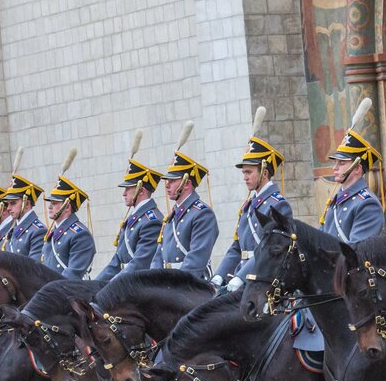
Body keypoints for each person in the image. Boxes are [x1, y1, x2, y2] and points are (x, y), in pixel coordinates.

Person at [212, 121, 291, 294]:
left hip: (264, 280)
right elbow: (237, 247)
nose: (245, 177)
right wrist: (220, 274)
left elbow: (269, 248)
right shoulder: (249, 205)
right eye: (244, 173)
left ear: (264, 171)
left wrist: (241, 276)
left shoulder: (278, 204)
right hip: (244, 278)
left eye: (249, 172)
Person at [150, 149, 218, 280]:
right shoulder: (171, 216)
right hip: (168, 284)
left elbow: (196, 259)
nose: (167, 185)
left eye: (172, 181)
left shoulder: (203, 213)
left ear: (186, 184)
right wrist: (152, 281)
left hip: (191, 285)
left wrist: (173, 286)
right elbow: (159, 256)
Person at [96, 159, 163, 283]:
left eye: (128, 188)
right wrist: (94, 284)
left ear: (141, 190)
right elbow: (117, 261)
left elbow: (140, 263)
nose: (124, 193)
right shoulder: (135, 217)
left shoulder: (152, 221)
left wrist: (112, 285)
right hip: (126, 282)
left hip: (139, 285)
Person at [320, 115, 385, 242]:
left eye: (342, 163)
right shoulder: (336, 199)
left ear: (357, 169)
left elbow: (356, 251)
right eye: (336, 162)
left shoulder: (366, 203)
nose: (335, 168)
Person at [41, 171, 96, 280]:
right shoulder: (53, 233)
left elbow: (73, 274)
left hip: (71, 293)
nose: (49, 207)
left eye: (55, 203)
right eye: (50, 203)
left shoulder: (80, 234)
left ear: (67, 207)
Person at [1, 173, 47, 258]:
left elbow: (34, 267)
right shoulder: (12, 230)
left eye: (13, 203)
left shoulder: (38, 231)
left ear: (27, 204)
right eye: (8, 204)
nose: (8, 208)